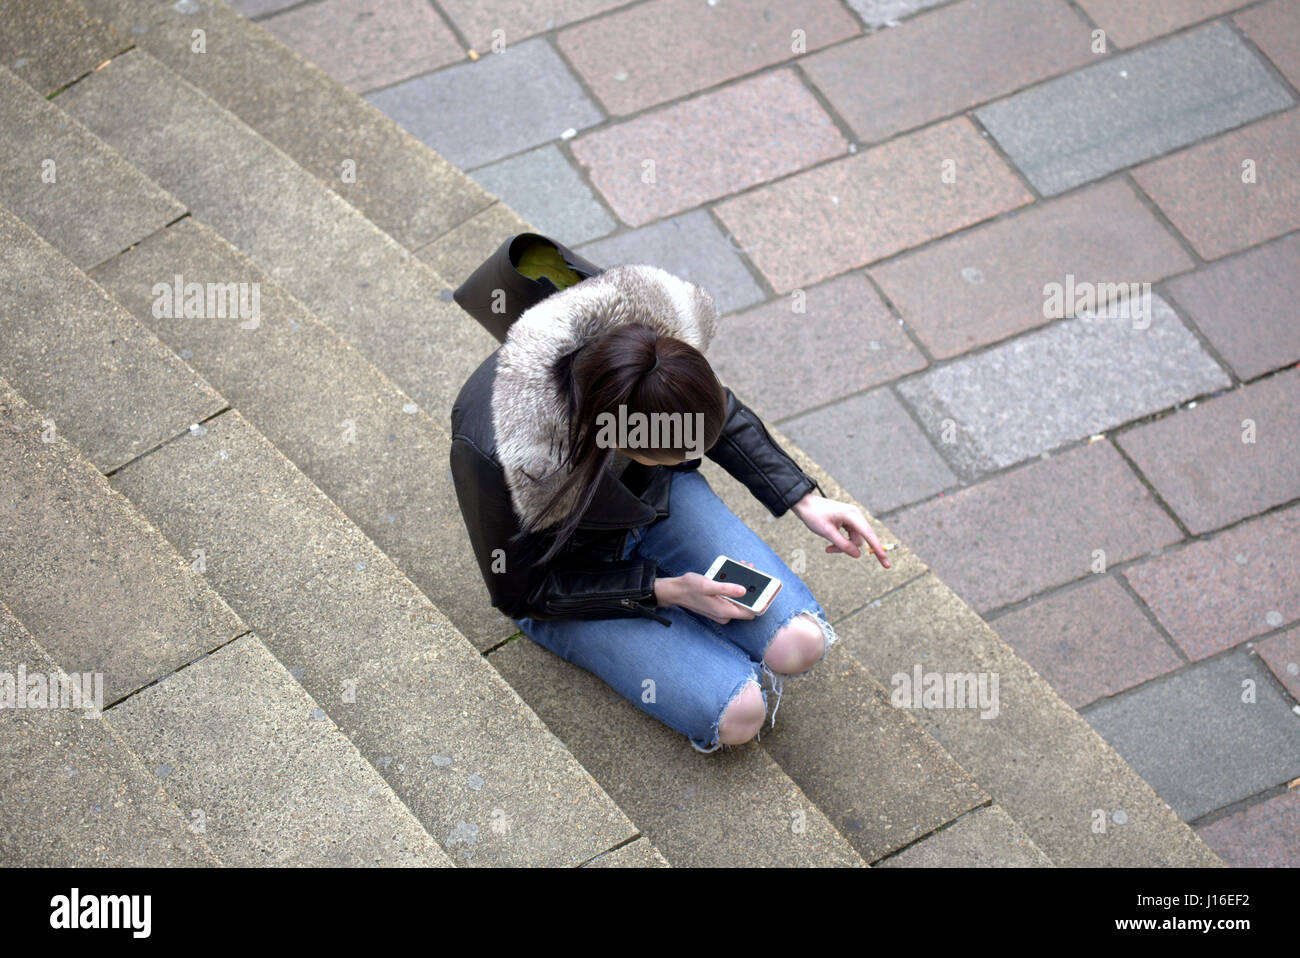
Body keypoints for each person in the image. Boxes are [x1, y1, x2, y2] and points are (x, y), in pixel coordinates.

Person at [449, 262, 890, 753]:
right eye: (676, 451)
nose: (692, 457)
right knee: (740, 715)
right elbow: (520, 592)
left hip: (654, 506)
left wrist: (804, 498)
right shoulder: (502, 454)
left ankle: (696, 636)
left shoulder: (645, 343)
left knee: (800, 643)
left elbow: (715, 414)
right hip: (565, 572)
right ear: (618, 435)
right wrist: (666, 591)